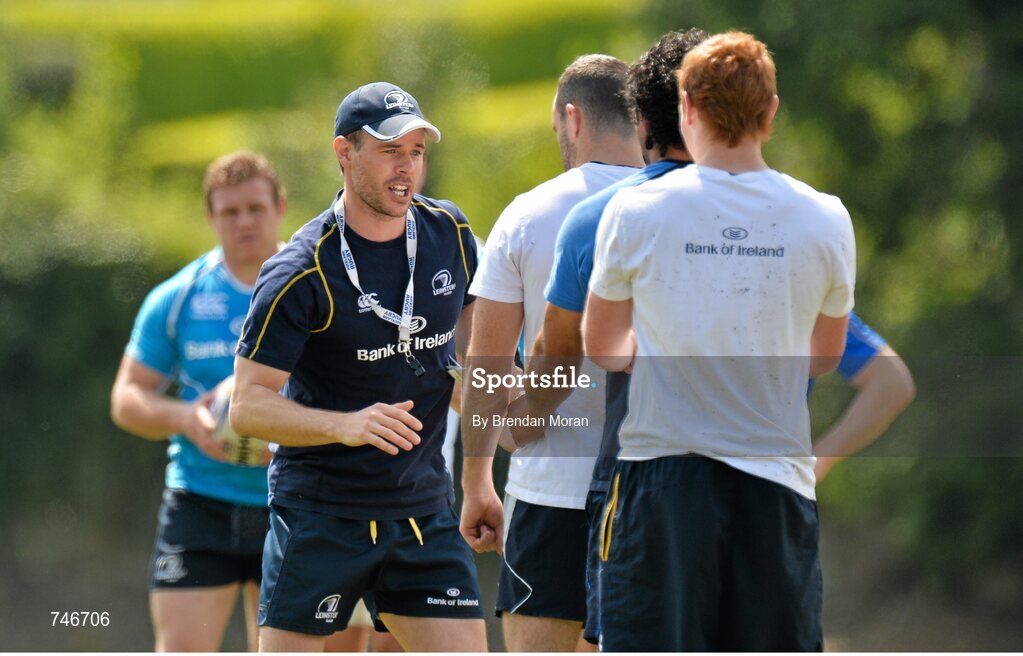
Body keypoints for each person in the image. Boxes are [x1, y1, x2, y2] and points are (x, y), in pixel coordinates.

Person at [583, 31, 855, 651]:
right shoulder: (826, 217)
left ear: (686, 109)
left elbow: (603, 345)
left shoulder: (637, 212)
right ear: (771, 113)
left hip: (662, 482)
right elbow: (824, 356)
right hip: (777, 480)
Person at [230, 82, 485, 653]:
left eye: (417, 151)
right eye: (391, 150)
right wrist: (343, 424)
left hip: (423, 514)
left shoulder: (452, 235)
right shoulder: (299, 270)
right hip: (322, 516)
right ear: (344, 153)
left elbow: (471, 363)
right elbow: (246, 406)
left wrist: (487, 467)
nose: (407, 168)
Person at [459, 54, 643, 652]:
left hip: (548, 495)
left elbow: (486, 368)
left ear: (572, 118)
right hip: (654, 490)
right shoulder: (681, 206)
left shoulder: (529, 213)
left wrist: (477, 481)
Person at [534, 29, 707, 647]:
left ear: (643, 118)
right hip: (759, 476)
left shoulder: (601, 216)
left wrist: (509, 424)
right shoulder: (792, 213)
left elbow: (569, 352)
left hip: (640, 478)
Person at [109, 152, 286, 651]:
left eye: (255, 207)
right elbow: (126, 397)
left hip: (294, 503)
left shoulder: (317, 288)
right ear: (211, 217)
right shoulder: (179, 297)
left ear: (280, 207)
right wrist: (185, 418)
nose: (245, 221)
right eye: (230, 212)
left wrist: (301, 432)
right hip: (200, 503)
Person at [813, 313, 916, 481]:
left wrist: (812, 465)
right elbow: (892, 383)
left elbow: (891, 383)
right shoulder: (802, 291)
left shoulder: (800, 292)